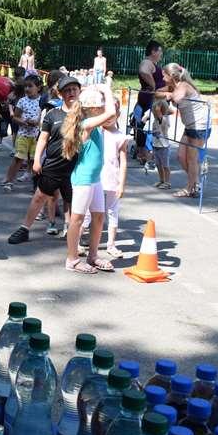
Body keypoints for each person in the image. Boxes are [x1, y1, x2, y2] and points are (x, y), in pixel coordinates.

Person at [7, 75, 83, 244]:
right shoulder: (52, 114)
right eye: (67, 90)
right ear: (60, 94)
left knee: (72, 200)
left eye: (74, 89)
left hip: (76, 166)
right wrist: (37, 161)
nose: (71, 92)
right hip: (53, 165)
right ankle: (24, 229)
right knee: (39, 196)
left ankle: (72, 231)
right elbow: (42, 138)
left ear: (79, 91)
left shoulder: (84, 114)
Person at [62, 84, 117, 274]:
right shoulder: (86, 124)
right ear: (93, 109)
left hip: (95, 179)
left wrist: (102, 92)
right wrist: (106, 89)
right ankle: (72, 259)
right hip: (83, 179)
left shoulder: (96, 124)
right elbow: (111, 112)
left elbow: (113, 114)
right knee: (77, 219)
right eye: (100, 106)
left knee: (99, 217)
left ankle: (93, 255)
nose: (103, 108)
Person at [156, 63, 206, 198]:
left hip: (199, 125)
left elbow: (177, 98)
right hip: (189, 125)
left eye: (164, 75)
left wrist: (169, 95)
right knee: (181, 156)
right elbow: (157, 92)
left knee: (191, 158)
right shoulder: (173, 87)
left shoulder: (183, 85)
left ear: (172, 76)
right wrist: (167, 93)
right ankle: (195, 182)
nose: (162, 78)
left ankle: (190, 188)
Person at [1, 75, 43, 191]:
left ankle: (36, 185)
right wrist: (23, 122)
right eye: (25, 86)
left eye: (30, 86)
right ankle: (9, 180)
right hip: (23, 135)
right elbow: (15, 117)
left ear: (39, 87)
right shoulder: (22, 101)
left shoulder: (42, 101)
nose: (27, 89)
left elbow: (44, 117)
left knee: (35, 160)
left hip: (37, 136)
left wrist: (37, 122)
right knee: (18, 158)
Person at [101, 100, 131, 259]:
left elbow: (123, 161)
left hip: (112, 179)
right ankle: (79, 241)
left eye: (112, 114)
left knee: (112, 212)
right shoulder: (96, 132)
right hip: (95, 179)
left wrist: (121, 184)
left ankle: (111, 244)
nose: (108, 118)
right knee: (90, 212)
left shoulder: (120, 137)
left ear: (118, 115)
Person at [133, 42, 165, 170]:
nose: (161, 54)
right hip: (149, 97)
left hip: (150, 96)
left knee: (143, 124)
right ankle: (145, 154)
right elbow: (143, 71)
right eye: (160, 51)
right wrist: (154, 86)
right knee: (148, 124)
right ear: (153, 51)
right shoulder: (147, 62)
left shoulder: (151, 63)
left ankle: (142, 152)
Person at [151, 100, 173, 190]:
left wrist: (159, 106)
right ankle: (161, 180)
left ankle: (167, 182)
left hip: (164, 146)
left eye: (157, 111)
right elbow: (154, 129)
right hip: (156, 145)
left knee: (165, 165)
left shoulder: (164, 119)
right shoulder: (155, 120)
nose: (155, 113)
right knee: (158, 165)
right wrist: (153, 132)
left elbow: (160, 114)